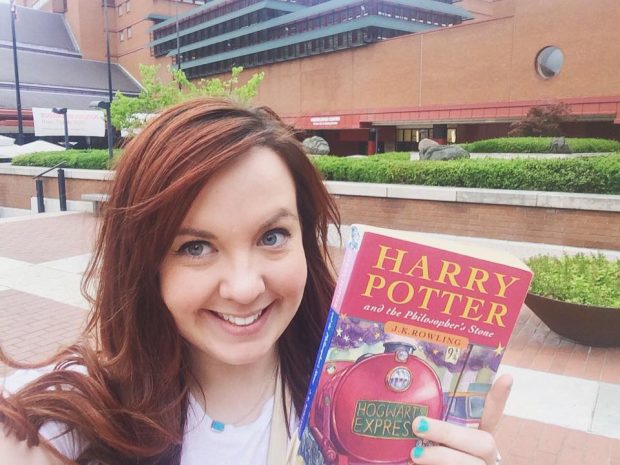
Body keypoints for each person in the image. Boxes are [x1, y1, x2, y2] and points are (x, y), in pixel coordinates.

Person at [0, 98, 511, 465]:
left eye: (272, 236)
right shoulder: (69, 422)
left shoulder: (359, 400)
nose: (244, 288)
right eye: (195, 247)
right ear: (145, 265)